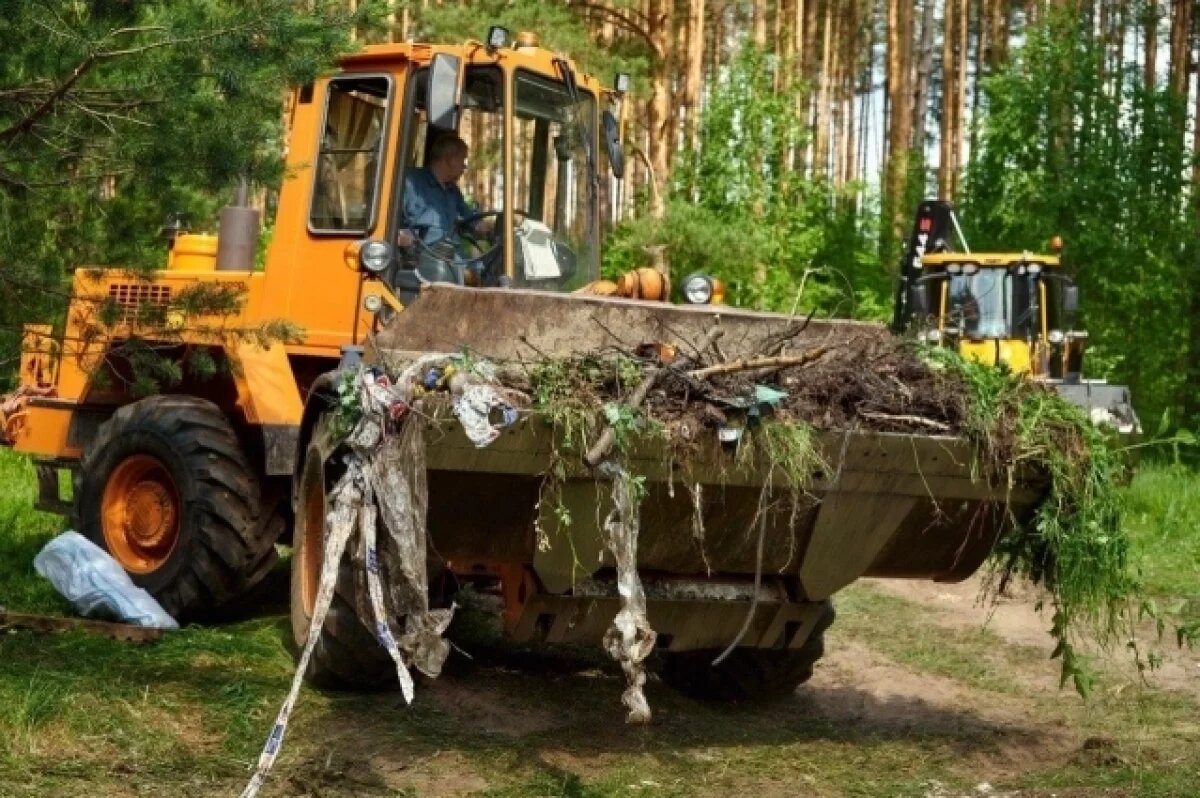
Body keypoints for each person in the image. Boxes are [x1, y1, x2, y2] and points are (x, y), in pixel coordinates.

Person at [396, 133, 477, 250]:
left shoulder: (453, 191)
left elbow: (470, 220)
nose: (464, 167)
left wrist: (487, 226)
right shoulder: (411, 183)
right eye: (463, 160)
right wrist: (402, 237)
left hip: (452, 256)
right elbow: (390, 226)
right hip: (422, 256)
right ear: (450, 159)